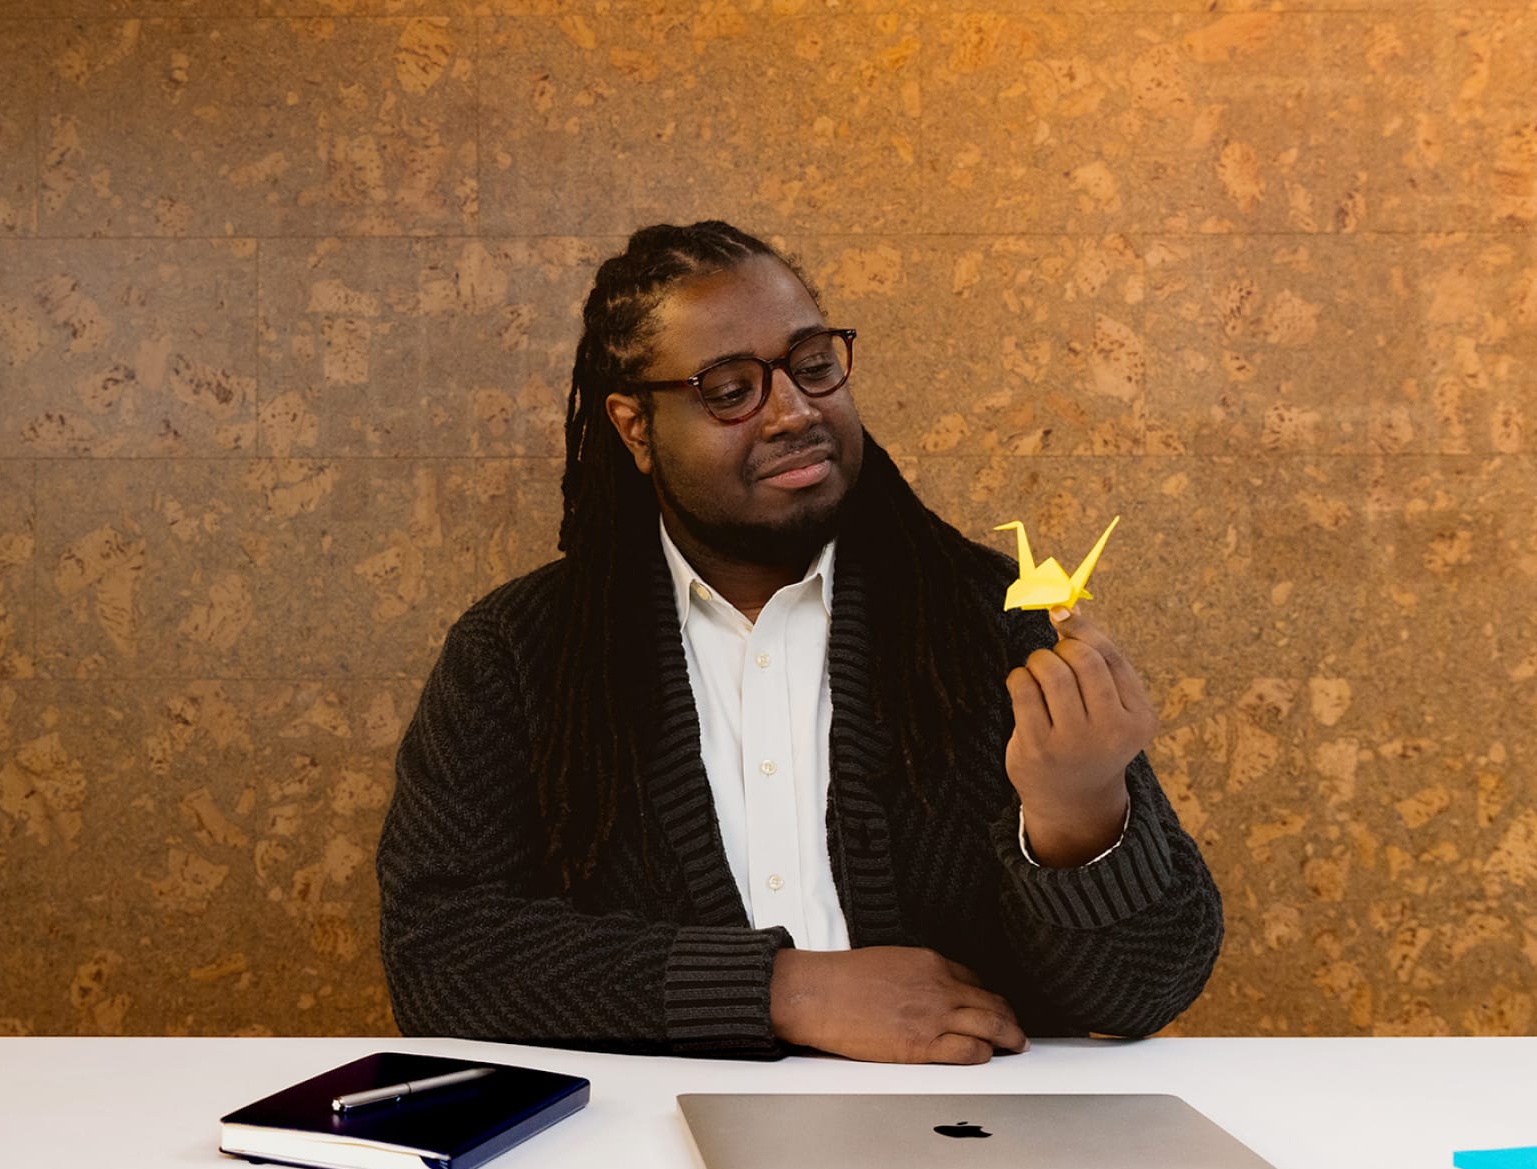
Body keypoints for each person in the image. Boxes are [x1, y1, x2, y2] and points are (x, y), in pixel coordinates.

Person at [376, 221, 1222, 1063]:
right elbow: (439, 957)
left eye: (813, 365)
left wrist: (1078, 814)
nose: (793, 411)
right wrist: (787, 990)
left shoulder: (984, 617)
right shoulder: (521, 653)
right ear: (636, 428)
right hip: (638, 1157)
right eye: (731, 388)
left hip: (959, 1142)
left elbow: (1142, 991)